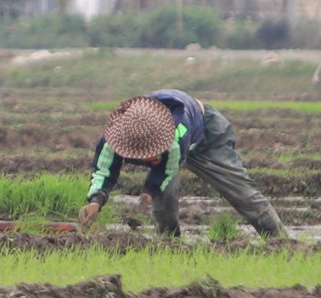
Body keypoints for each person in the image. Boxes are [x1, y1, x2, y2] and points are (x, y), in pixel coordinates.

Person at [77, 91, 284, 238]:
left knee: (240, 190)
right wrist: (96, 200)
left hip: (206, 135)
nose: (147, 160)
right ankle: (169, 244)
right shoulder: (116, 135)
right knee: (164, 197)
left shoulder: (176, 134)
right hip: (173, 144)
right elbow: (103, 169)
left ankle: (280, 241)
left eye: (150, 154)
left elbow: (166, 169)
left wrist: (148, 192)